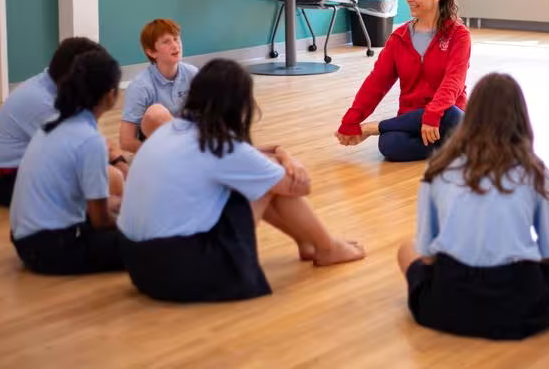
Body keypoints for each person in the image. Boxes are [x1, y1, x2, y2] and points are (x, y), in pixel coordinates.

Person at [117, 59, 365, 303]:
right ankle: (327, 247)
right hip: (181, 272)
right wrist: (290, 161)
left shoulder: (173, 130)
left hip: (138, 264)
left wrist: (282, 154)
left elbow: (251, 159)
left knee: (261, 177)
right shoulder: (218, 142)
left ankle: (309, 243)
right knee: (266, 182)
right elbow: (301, 186)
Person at [398, 73, 549, 340]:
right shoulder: (535, 171)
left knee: (407, 249)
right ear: (521, 118)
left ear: (470, 116)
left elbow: (427, 256)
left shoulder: (437, 168)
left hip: (445, 307)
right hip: (520, 308)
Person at [335, 0, 470, 162]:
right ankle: (454, 146)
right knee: (389, 144)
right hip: (411, 119)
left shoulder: (458, 35)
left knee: (451, 114)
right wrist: (351, 120)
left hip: (446, 117)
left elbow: (453, 83)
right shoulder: (399, 38)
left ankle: (376, 127)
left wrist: (432, 115)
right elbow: (376, 83)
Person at [8, 49, 125, 275]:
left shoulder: (53, 123)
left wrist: (117, 206)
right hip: (52, 248)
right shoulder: (90, 141)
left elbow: (87, 204)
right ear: (110, 95)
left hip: (24, 239)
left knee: (121, 212)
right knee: (144, 240)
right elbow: (100, 220)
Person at [0, 37, 129, 207]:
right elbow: (79, 155)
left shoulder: (54, 88)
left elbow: (95, 142)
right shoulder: (44, 103)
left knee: (111, 176)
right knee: (111, 178)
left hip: (29, 171)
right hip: (8, 181)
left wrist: (119, 161)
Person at [119, 18, 198, 153]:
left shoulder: (193, 73)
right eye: (166, 42)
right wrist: (155, 157)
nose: (175, 45)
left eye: (176, 39)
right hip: (159, 149)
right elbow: (126, 141)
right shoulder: (140, 86)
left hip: (190, 142)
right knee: (157, 113)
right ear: (151, 52)